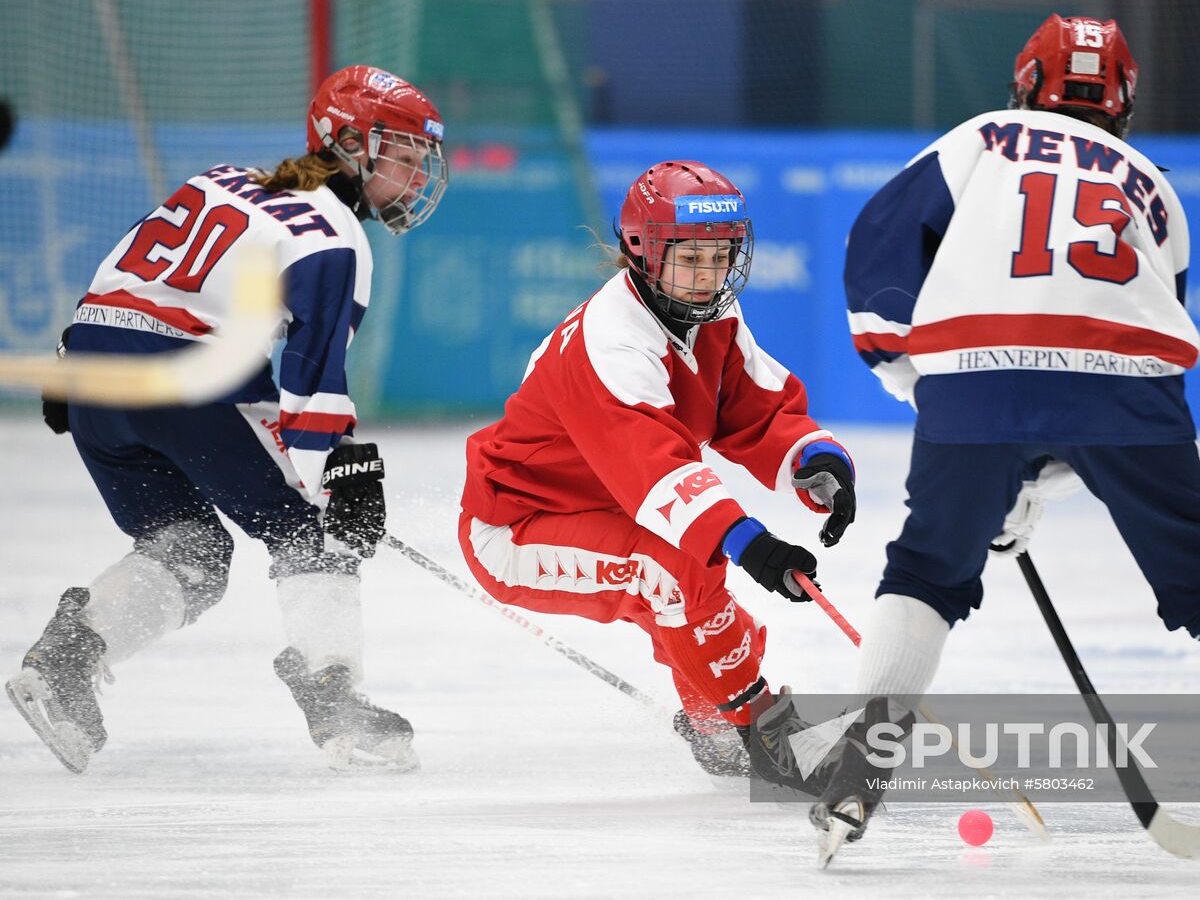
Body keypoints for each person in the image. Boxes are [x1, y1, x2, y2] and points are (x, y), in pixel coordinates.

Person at [809, 14, 1200, 867]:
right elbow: (1134, 338)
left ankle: (858, 769)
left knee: (927, 567)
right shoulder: (1153, 184)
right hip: (1126, 383)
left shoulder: (978, 140)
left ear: (1026, 85)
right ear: (1123, 103)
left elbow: (877, 248)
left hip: (978, 379)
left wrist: (928, 390)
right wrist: (1037, 473)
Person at [6, 65, 449, 774]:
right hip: (184, 381)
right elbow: (311, 380)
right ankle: (336, 699)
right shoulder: (334, 235)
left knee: (192, 550)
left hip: (93, 374)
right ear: (348, 144)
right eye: (402, 152)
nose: (416, 174)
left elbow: (128, 269)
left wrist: (72, 357)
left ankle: (66, 660)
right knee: (314, 528)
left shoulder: (220, 179)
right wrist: (342, 474)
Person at [458, 160, 857, 780]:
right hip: (519, 526)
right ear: (643, 252)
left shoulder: (712, 315)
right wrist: (750, 542)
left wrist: (813, 458)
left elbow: (754, 407)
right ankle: (763, 735)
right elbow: (653, 468)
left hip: (610, 508)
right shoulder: (611, 341)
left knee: (712, 614)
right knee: (675, 572)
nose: (707, 276)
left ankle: (715, 727)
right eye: (690, 258)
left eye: (720, 257)